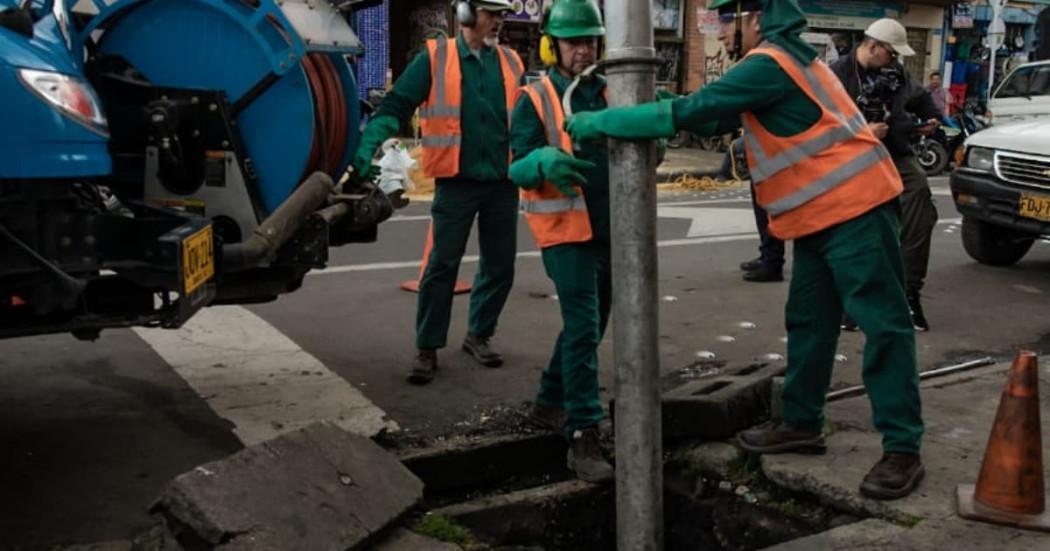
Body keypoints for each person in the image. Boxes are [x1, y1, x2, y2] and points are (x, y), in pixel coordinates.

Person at [565, 0, 925, 500]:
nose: (724, 29)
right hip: (824, 216)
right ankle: (800, 421)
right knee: (809, 321)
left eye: (729, 18)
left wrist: (602, 123)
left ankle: (903, 449)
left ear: (755, 16)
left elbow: (688, 112)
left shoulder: (768, 63)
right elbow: (716, 118)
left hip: (856, 209)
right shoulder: (788, 58)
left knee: (884, 326)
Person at [350, 0, 524, 385]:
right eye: (490, 12)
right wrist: (368, 146)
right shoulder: (436, 57)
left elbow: (528, 118)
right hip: (456, 183)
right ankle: (427, 346)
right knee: (442, 267)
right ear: (465, 14)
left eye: (501, 14)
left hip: (502, 184)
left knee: (500, 267)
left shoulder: (512, 62)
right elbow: (396, 105)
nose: (498, 21)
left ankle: (479, 334)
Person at [508, 0, 613, 482]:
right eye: (574, 42)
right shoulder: (535, 99)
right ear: (552, 46)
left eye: (590, 40)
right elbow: (517, 165)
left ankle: (549, 401)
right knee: (584, 325)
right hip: (566, 232)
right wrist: (543, 162)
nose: (583, 50)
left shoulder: (614, 93)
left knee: (590, 325)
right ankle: (583, 432)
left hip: (613, 231)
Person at [829, 19, 941, 332]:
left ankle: (907, 295)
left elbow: (921, 98)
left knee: (919, 203)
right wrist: (862, 132)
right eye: (891, 54)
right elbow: (818, 127)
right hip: (850, 158)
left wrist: (932, 117)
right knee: (859, 226)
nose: (895, 60)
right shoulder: (835, 75)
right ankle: (852, 302)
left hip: (894, 152)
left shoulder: (898, 73)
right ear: (873, 46)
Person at [731, 135, 786, 282]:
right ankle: (768, 256)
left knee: (768, 208)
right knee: (762, 207)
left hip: (771, 156)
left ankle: (772, 261)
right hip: (765, 156)